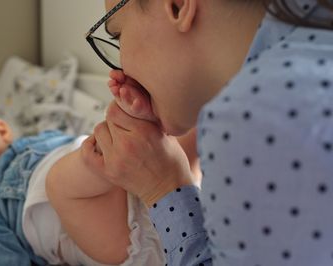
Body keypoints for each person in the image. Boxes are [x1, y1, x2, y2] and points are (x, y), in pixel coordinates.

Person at [82, 0, 333, 265]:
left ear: (177, 6)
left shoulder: (253, 113)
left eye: (119, 35)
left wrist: (162, 186)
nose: (120, 69)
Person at [0, 108, 199, 266]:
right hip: (112, 233)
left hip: (168, 201)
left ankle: (196, 133)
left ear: (1, 130)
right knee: (59, 181)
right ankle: (116, 146)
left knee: (167, 142)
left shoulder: (44, 139)